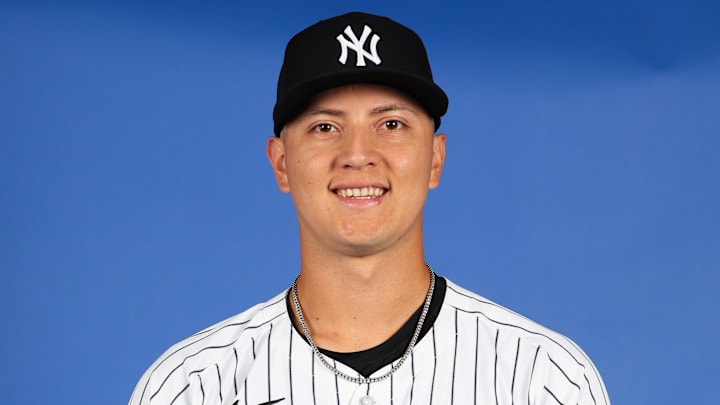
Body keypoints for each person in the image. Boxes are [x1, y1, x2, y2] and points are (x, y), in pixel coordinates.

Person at [129, 11, 609, 405]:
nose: (358, 154)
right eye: (324, 127)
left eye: (392, 124)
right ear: (280, 164)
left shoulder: (541, 380)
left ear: (435, 159)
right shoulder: (193, 386)